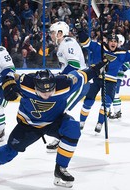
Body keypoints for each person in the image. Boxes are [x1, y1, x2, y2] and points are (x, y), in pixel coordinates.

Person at [0, 60, 109, 188]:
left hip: (54, 122)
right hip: (28, 125)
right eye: (42, 91)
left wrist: (98, 67)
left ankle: (61, 168)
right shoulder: (25, 82)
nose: (47, 95)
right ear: (35, 86)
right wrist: (7, 84)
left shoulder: (65, 83)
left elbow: (84, 74)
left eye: (50, 90)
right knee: (9, 151)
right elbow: (7, 73)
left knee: (73, 128)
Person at [76, 24, 130, 133]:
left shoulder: (122, 53)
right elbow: (86, 42)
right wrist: (80, 31)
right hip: (96, 77)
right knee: (88, 101)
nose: (113, 43)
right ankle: (81, 122)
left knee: (106, 103)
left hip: (110, 81)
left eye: (115, 42)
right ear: (107, 41)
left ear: (117, 43)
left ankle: (100, 122)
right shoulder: (99, 47)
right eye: (111, 41)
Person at [46, 21, 87, 152]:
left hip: (79, 82)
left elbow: (74, 64)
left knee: (61, 110)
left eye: (53, 33)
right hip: (73, 82)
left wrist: (60, 76)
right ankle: (62, 135)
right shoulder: (63, 44)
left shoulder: (68, 43)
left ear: (60, 33)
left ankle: (65, 136)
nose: (51, 35)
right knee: (58, 108)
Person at [109, 34, 128, 119]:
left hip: (117, 76)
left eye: (119, 42)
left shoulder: (123, 52)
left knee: (115, 93)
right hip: (109, 75)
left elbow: (126, 66)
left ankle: (117, 112)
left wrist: (118, 66)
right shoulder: (109, 51)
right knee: (107, 93)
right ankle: (107, 110)